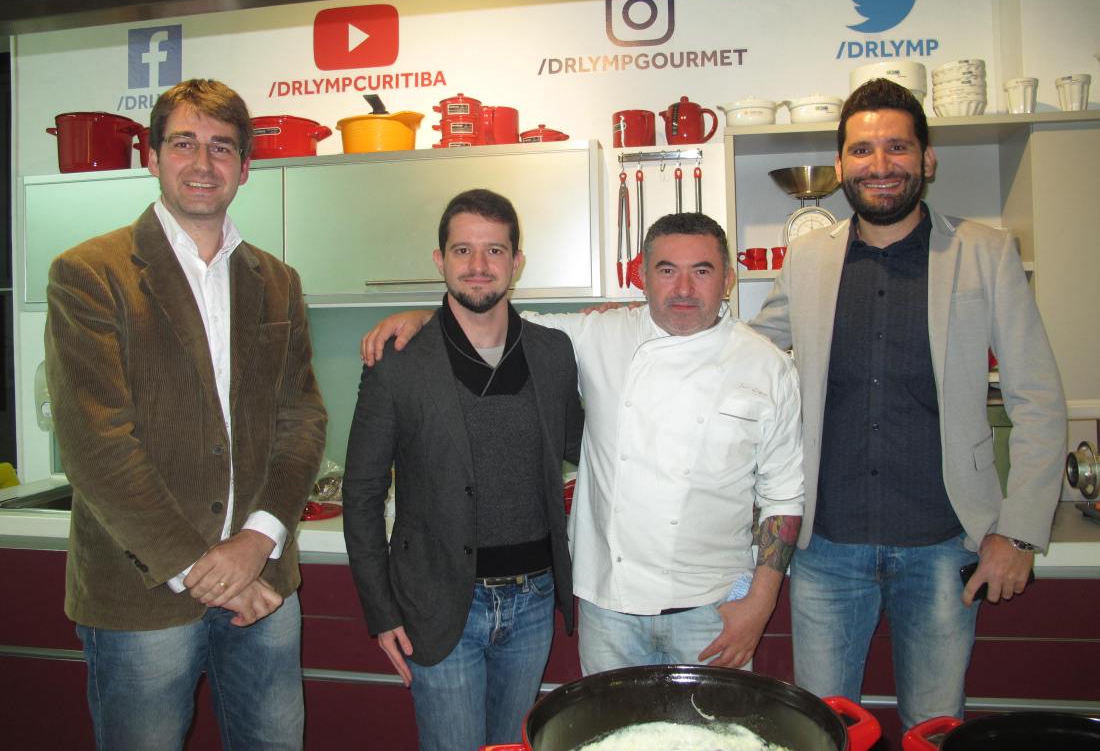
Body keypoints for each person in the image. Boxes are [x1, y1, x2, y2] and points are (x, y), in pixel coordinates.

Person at [749, 77, 1066, 728]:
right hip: (826, 549)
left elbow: (1037, 397)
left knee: (932, 728)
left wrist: (1020, 531)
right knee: (823, 729)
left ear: (927, 158)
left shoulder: (985, 253)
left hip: (943, 546)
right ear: (841, 164)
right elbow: (747, 356)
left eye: (897, 147)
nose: (880, 165)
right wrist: (652, 329)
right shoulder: (807, 259)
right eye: (862, 150)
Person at [360, 212, 804, 676]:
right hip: (610, 609)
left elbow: (784, 496)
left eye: (703, 271)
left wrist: (760, 603)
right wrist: (425, 319)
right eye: (667, 270)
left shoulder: (767, 366)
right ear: (642, 276)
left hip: (713, 612)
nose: (684, 289)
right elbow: (489, 324)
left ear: (728, 279)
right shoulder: (599, 333)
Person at [44, 78, 328, 751]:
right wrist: (207, 570)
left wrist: (256, 541)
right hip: (142, 596)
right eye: (184, 144)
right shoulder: (90, 273)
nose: (203, 163)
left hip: (264, 582)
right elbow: (97, 444)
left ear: (245, 167)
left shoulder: (277, 281)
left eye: (222, 147)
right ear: (151, 157)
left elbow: (302, 419)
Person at [342, 189, 584, 751]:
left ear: (516, 262)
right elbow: (362, 492)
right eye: (462, 250)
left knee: (512, 748)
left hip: (532, 600)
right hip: (439, 601)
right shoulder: (398, 360)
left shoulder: (553, 352)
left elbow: (583, 445)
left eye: (494, 251)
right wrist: (380, 609)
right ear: (440, 260)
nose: (478, 265)